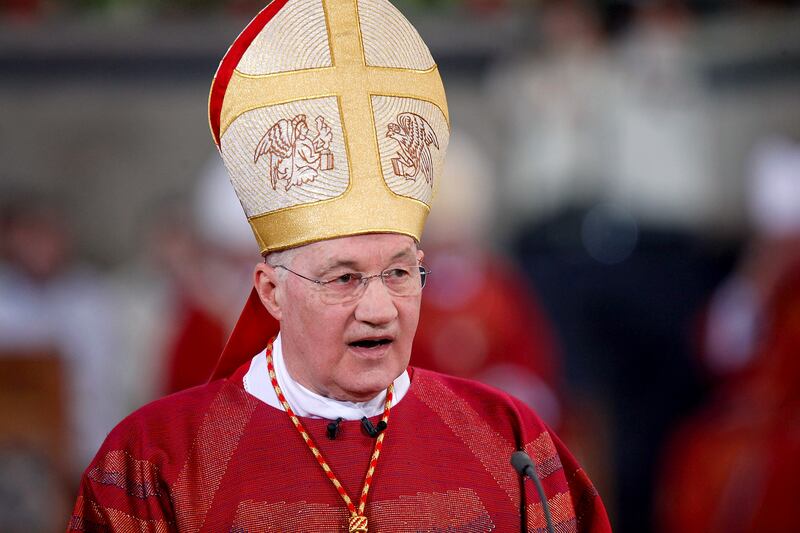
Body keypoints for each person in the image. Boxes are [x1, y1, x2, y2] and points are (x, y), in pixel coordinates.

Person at [68, 1, 610, 531]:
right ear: (271, 291)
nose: (379, 310)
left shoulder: (508, 441)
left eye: (399, 274)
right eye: (344, 278)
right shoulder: (155, 459)